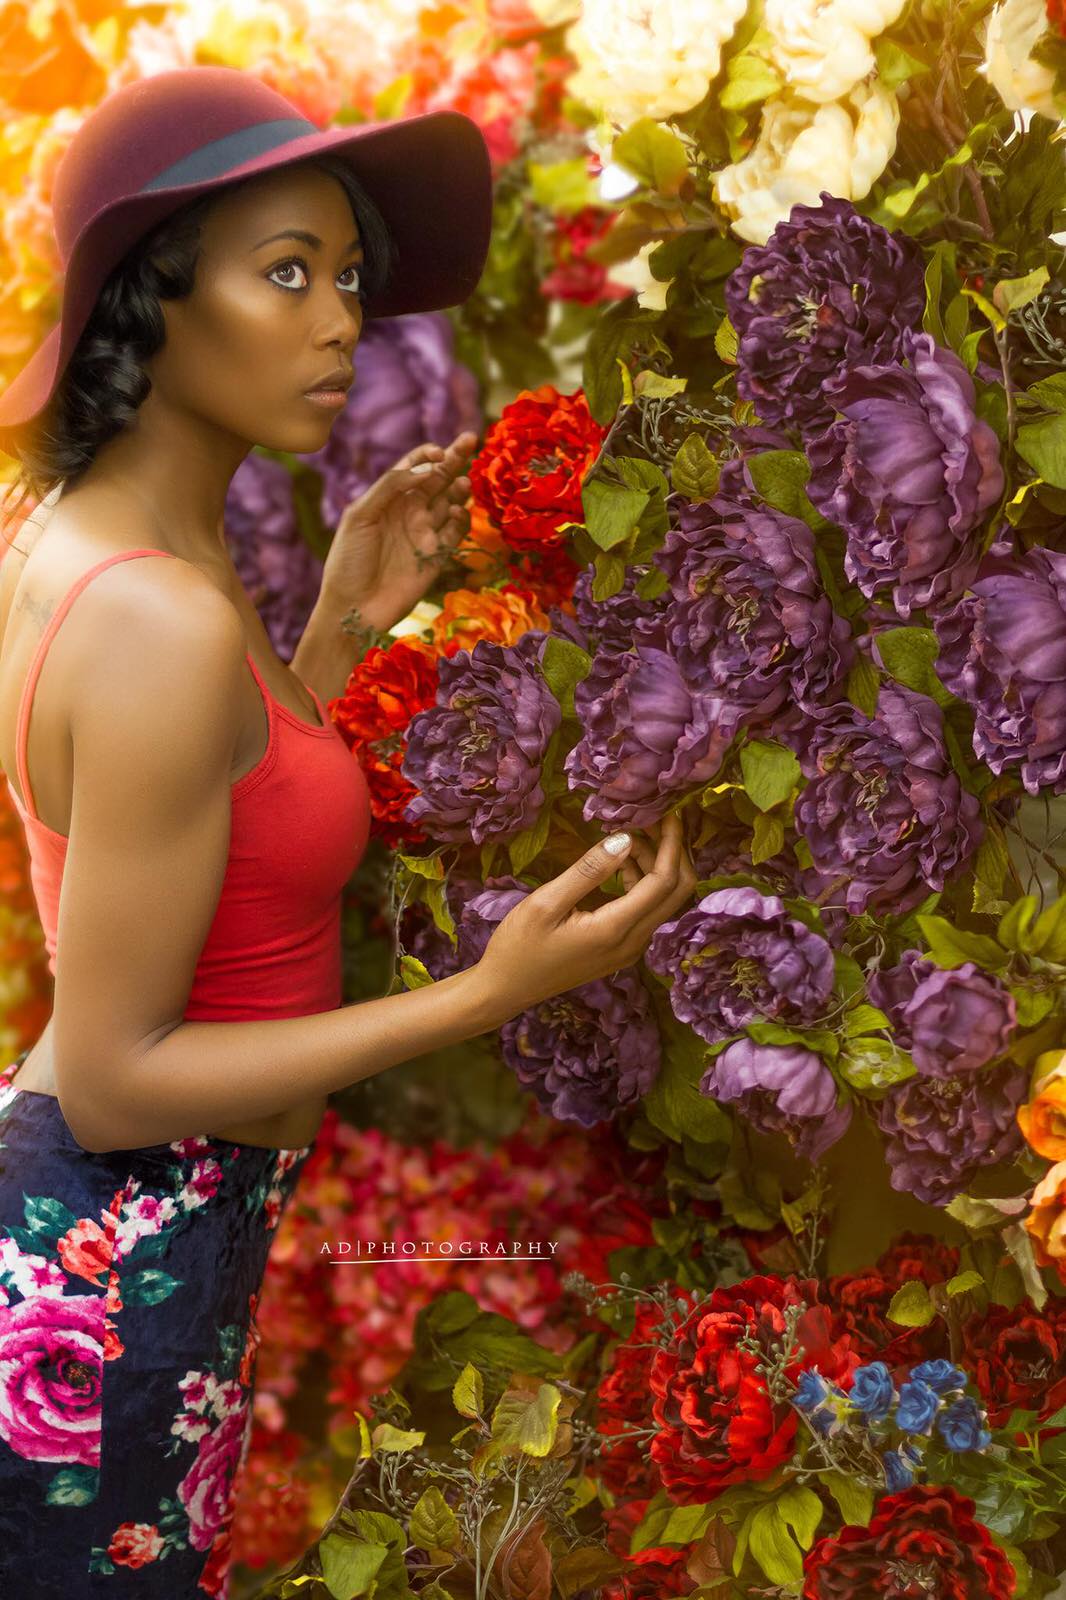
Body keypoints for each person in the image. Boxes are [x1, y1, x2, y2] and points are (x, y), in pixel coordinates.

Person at [0, 66, 697, 1595]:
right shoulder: (161, 615)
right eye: (285, 272)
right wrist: (488, 993)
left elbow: (212, 816)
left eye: (349, 279)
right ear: (148, 299)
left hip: (126, 1253)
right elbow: (116, 1080)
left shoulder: (114, 547)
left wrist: (333, 628)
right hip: (110, 1283)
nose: (339, 324)